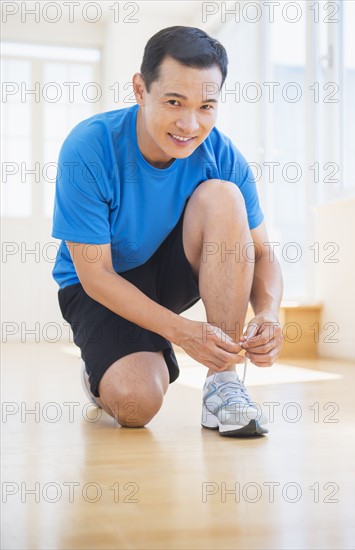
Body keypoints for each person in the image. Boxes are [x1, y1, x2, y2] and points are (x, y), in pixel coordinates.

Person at [52, 26, 283, 437]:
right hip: (102, 285)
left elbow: (262, 253)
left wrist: (268, 313)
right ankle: (98, 378)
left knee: (223, 196)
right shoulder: (89, 147)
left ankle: (223, 384)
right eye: (174, 101)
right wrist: (182, 333)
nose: (189, 124)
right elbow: (95, 275)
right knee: (135, 405)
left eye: (206, 106)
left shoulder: (223, 155)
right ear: (140, 89)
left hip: (169, 271)